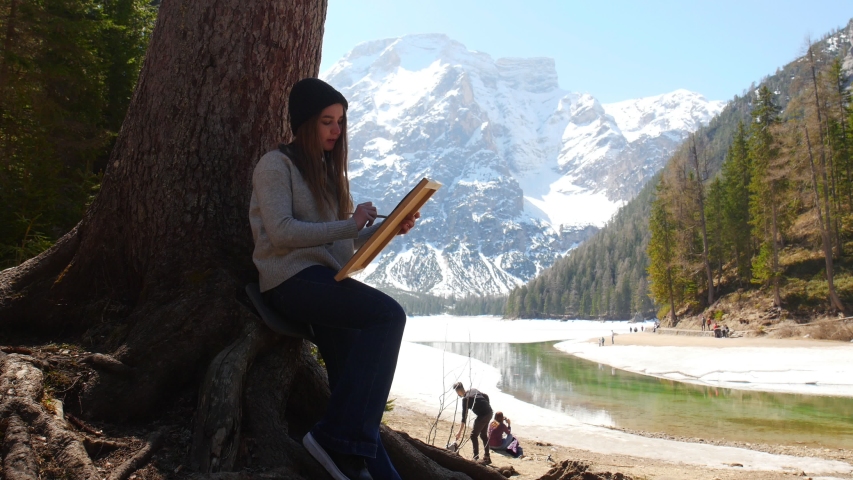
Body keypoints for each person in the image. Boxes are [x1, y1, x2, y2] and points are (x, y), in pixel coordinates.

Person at [250, 77, 419, 480]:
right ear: (305, 123)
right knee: (388, 315)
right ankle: (331, 439)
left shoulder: (330, 175)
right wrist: (350, 223)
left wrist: (388, 230)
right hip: (289, 281)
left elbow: (342, 246)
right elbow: (282, 233)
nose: (336, 130)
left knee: (356, 401)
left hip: (325, 284)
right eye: (327, 121)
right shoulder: (275, 165)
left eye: (340, 122)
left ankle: (351, 455)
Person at [453, 382, 493, 464]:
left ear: (458, 391)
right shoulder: (473, 390)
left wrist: (459, 432)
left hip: (483, 415)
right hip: (489, 412)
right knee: (483, 435)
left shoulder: (465, 399)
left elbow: (464, 417)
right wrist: (487, 405)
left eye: (457, 392)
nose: (458, 394)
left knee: (473, 435)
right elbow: (486, 396)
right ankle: (487, 457)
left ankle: (476, 457)